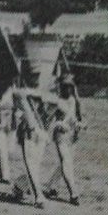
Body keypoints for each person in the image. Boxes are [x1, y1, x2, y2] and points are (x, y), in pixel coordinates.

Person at [43, 73, 82, 205]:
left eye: (70, 86)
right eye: (65, 86)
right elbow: (46, 120)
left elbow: (80, 119)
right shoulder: (56, 101)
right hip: (60, 135)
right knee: (66, 162)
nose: (67, 89)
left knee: (65, 163)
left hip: (72, 136)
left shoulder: (75, 101)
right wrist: (59, 124)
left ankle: (50, 187)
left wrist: (79, 125)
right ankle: (73, 192)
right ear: (60, 86)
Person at [12, 87, 48, 209]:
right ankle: (38, 196)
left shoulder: (47, 88)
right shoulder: (21, 90)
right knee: (32, 166)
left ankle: (19, 185)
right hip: (27, 132)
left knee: (35, 166)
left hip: (41, 131)